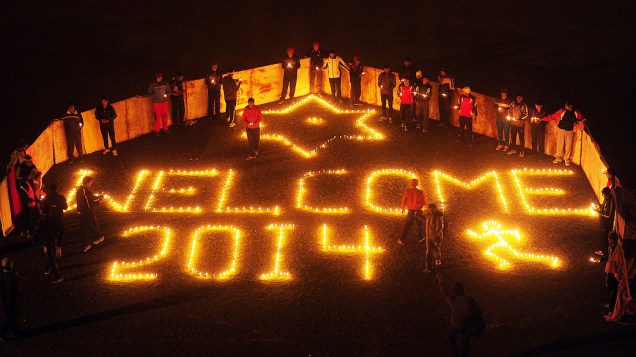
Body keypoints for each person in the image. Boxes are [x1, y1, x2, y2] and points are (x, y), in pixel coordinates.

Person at [436, 273, 483, 357]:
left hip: (455, 326)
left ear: (455, 291)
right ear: (463, 289)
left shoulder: (452, 300)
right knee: (465, 341)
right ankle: (464, 352)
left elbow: (444, 292)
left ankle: (455, 353)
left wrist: (441, 281)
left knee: (451, 338)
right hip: (467, 326)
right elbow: (479, 312)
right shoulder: (470, 300)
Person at [541, 100, 585, 166]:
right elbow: (553, 116)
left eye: (568, 106)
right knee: (560, 144)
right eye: (566, 106)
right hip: (561, 130)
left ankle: (567, 159)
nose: (567, 107)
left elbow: (582, 118)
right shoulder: (562, 111)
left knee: (568, 145)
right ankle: (559, 158)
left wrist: (583, 122)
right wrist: (543, 119)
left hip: (570, 131)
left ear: (570, 106)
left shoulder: (576, 113)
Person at [604, 231, 636, 322]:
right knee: (609, 289)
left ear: (616, 240)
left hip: (615, 274)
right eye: (609, 239)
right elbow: (609, 257)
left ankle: (612, 309)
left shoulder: (619, 251)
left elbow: (621, 265)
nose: (610, 241)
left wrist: (618, 274)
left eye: (612, 239)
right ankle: (610, 306)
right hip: (610, 272)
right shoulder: (610, 248)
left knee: (613, 292)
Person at [33, 205, 64, 283]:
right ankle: (47, 268)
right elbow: (61, 230)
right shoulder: (54, 219)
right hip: (54, 240)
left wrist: (34, 240)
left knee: (51, 257)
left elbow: (37, 232)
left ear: (42, 212)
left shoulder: (41, 221)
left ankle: (58, 276)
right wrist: (60, 243)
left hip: (47, 241)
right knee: (51, 255)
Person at [76, 176, 104, 253]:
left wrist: (97, 197)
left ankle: (85, 245)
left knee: (84, 229)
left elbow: (89, 198)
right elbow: (89, 203)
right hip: (87, 212)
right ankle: (97, 238)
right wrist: (98, 202)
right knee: (93, 224)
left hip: (81, 212)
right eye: (91, 182)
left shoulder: (79, 190)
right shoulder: (85, 191)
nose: (91, 184)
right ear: (87, 182)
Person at [0, 257, 25, 340]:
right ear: (9, 265)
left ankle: (15, 332)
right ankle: (2, 333)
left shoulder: (4, 275)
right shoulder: (11, 277)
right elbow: (22, 280)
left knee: (12, 317)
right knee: (11, 318)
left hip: (5, 301)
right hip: (10, 301)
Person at [40, 183, 68, 252]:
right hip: (59, 218)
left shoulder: (45, 199)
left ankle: (48, 247)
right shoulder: (61, 197)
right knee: (61, 231)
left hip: (49, 219)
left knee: (49, 232)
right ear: (56, 189)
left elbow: (42, 209)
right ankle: (59, 246)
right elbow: (65, 207)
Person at [398, 179, 426, 245]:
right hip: (418, 211)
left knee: (407, 225)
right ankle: (420, 237)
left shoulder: (408, 191)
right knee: (420, 225)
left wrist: (403, 208)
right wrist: (419, 205)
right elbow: (424, 202)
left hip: (410, 211)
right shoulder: (421, 192)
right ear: (417, 184)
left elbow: (404, 200)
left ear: (411, 184)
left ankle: (401, 239)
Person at [423, 203, 445, 272]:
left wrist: (435, 236)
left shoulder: (438, 217)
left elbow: (440, 227)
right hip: (428, 237)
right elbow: (426, 222)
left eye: (432, 210)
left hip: (436, 237)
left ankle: (438, 265)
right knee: (428, 252)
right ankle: (428, 267)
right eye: (429, 210)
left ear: (435, 209)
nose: (431, 211)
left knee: (436, 251)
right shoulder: (428, 215)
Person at [594, 187, 616, 258]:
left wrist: (598, 212)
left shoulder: (610, 201)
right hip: (603, 222)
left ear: (607, 194)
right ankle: (604, 251)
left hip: (607, 223)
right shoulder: (606, 199)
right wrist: (599, 207)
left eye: (603, 194)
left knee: (605, 238)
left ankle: (605, 253)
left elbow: (608, 215)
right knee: (603, 237)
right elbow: (603, 207)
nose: (602, 196)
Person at [507, 93, 529, 157]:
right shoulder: (513, 103)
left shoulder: (524, 106)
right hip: (513, 124)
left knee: (521, 138)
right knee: (513, 137)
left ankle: (522, 151)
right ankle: (513, 149)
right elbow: (509, 110)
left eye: (520, 98)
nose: (518, 99)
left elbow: (526, 114)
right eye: (517, 98)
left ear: (522, 98)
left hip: (520, 125)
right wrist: (510, 116)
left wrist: (520, 118)